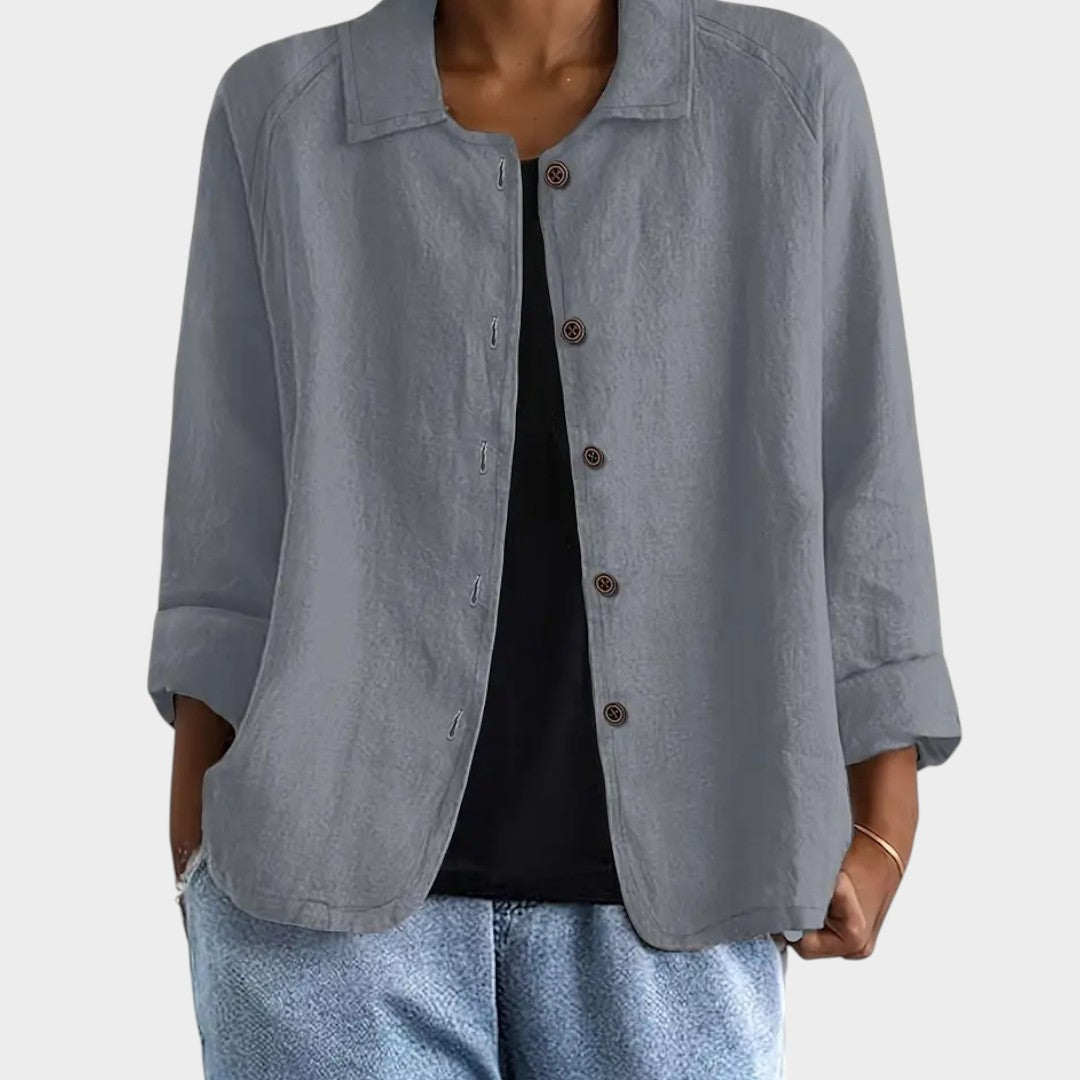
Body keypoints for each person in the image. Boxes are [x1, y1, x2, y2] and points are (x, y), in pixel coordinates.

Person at [151, 0, 962, 1076]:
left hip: (684, 911)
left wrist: (886, 821)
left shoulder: (785, 95)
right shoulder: (281, 112)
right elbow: (228, 510)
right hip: (314, 927)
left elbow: (865, 467)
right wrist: (199, 862)